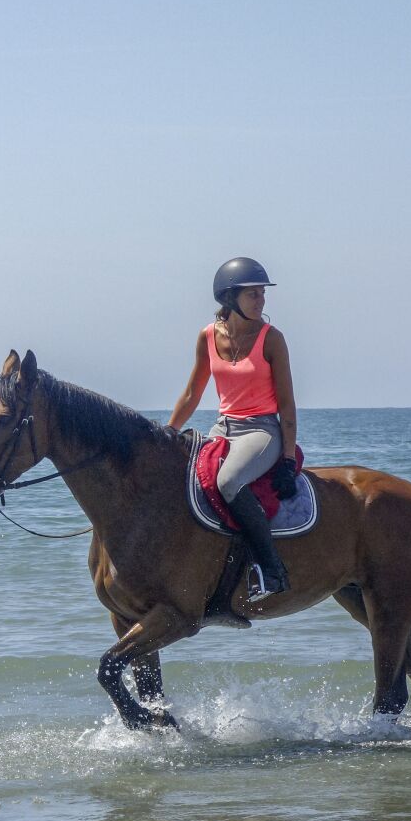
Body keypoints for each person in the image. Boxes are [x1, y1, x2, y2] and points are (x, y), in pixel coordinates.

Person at [166, 256, 298, 600]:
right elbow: (193, 392)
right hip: (224, 426)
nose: (261, 300)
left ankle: (272, 570)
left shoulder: (272, 339)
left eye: (262, 294)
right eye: (253, 294)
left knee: (227, 481)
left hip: (262, 430)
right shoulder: (208, 336)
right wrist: (167, 432)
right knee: (186, 482)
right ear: (230, 298)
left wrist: (286, 458)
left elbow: (286, 406)